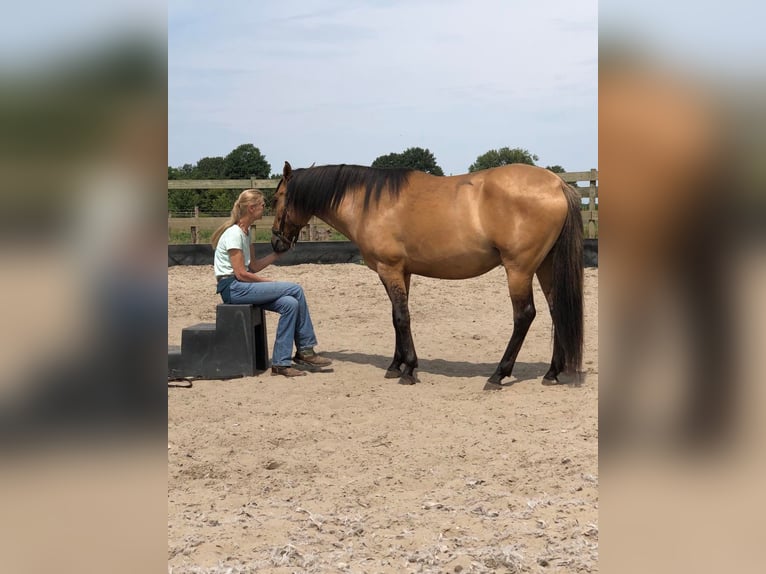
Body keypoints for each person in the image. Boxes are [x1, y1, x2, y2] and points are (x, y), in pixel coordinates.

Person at [210, 189, 332, 378]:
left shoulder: (246, 232)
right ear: (251, 208)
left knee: (290, 304)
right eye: (262, 205)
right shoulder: (234, 234)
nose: (264, 209)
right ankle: (305, 350)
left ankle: (280, 363)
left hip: (242, 286)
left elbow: (254, 266)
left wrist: (277, 254)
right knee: (295, 289)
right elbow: (241, 273)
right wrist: (267, 282)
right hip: (233, 287)